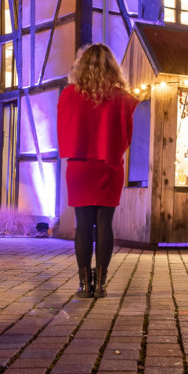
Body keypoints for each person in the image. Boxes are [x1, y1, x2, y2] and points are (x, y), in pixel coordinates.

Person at [57, 43, 138, 299]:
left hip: (80, 167)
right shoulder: (122, 98)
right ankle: (101, 284)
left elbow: (63, 131)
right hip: (109, 166)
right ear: (112, 67)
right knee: (105, 225)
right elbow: (127, 137)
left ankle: (84, 285)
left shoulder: (69, 94)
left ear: (81, 65)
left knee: (83, 226)